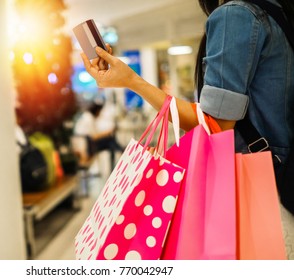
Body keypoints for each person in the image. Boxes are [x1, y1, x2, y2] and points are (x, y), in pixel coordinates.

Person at [80, 0, 294, 258]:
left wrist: (131, 80)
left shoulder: (236, 15)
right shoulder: (279, 12)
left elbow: (215, 126)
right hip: (281, 176)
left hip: (257, 193)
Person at [73, 99, 123, 170]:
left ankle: (121, 150)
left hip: (83, 142)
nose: (100, 115)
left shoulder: (86, 116)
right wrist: (108, 132)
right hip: (86, 144)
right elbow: (94, 137)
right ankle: (122, 151)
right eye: (100, 112)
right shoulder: (89, 118)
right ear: (97, 111)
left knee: (110, 141)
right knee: (110, 140)